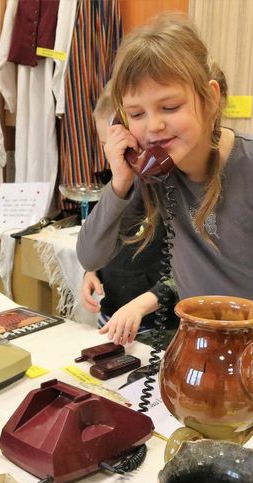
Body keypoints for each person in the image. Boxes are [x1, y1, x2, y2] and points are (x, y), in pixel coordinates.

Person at [76, 15, 253, 388]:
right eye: (137, 114)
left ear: (209, 98)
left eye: (170, 107)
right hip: (200, 350)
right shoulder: (155, 174)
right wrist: (121, 181)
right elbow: (90, 256)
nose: (154, 126)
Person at [80, 88, 178, 345]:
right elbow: (100, 242)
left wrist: (142, 305)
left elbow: (185, 271)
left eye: (120, 146)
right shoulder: (118, 185)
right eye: (105, 145)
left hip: (156, 325)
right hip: (112, 315)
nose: (112, 154)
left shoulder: (169, 192)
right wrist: (91, 271)